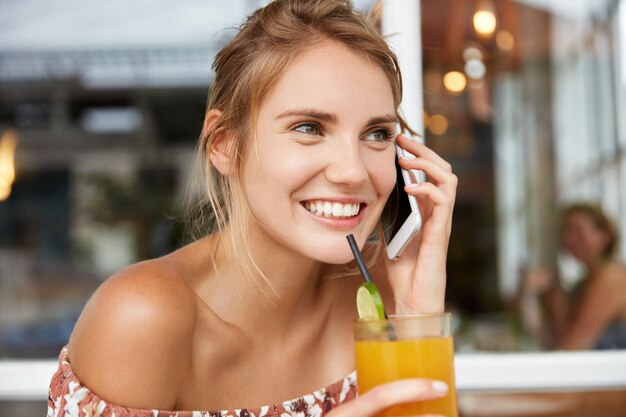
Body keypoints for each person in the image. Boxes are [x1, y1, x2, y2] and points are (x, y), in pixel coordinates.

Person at [47, 0, 457, 415]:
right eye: (309, 128)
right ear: (225, 144)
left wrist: (416, 319)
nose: (353, 171)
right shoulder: (141, 319)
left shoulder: (387, 295)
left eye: (377, 133)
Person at [519, 203, 626, 350]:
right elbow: (552, 342)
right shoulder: (581, 286)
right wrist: (546, 295)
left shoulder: (613, 277)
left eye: (577, 230)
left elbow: (572, 348)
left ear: (604, 236)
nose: (568, 239)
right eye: (565, 231)